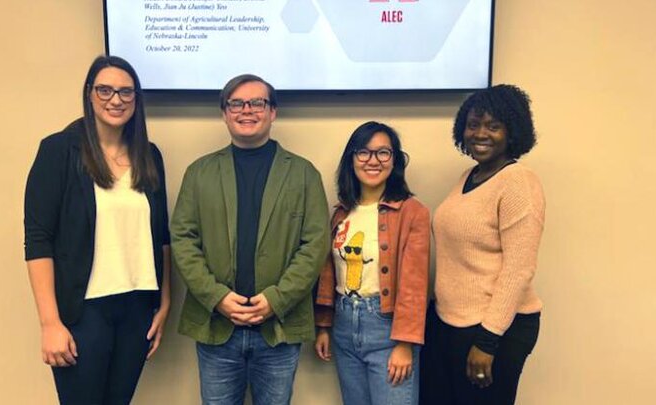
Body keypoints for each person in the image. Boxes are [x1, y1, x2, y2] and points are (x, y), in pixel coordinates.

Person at [170, 74, 330, 405]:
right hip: (217, 326)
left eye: (257, 102)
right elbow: (183, 241)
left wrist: (277, 298)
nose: (247, 110)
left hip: (279, 331)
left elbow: (315, 245)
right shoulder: (199, 173)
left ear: (273, 112)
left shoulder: (303, 173)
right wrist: (216, 296)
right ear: (224, 112)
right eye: (236, 103)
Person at [23, 55, 171, 405]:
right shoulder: (59, 150)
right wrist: (50, 323)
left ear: (136, 99)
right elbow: (38, 240)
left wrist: (164, 303)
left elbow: (162, 236)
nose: (115, 100)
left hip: (137, 309)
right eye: (105, 90)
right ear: (89, 94)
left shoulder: (149, 156)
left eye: (125, 92)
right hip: (83, 312)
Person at [422, 84, 545, 405]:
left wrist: (488, 341)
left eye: (494, 126)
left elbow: (519, 270)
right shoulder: (469, 175)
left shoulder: (519, 182)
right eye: (473, 124)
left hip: (493, 329)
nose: (481, 133)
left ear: (513, 130)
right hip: (450, 321)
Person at [314, 121, 430, 405]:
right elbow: (329, 273)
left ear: (395, 160)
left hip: (387, 328)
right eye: (363, 152)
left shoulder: (412, 211)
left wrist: (405, 343)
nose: (373, 161)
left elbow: (415, 284)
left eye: (383, 153)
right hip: (344, 326)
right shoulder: (342, 212)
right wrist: (325, 326)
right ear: (351, 159)